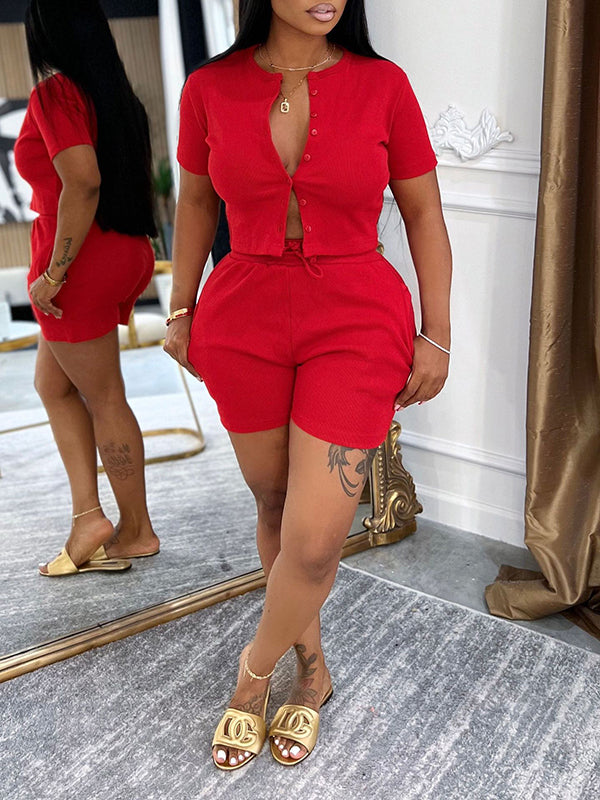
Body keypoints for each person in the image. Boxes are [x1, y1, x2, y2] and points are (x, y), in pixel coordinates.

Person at [165, 0, 451, 770]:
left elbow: (423, 211)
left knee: (318, 539)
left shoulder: (383, 85)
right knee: (274, 505)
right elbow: (197, 200)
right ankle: (312, 671)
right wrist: (182, 307)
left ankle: (251, 678)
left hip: (357, 317)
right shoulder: (208, 88)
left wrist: (437, 332)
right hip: (243, 315)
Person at [14, 0, 160, 576]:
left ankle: (136, 531)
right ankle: (88, 517)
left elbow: (83, 182)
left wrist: (54, 272)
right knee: (52, 384)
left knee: (104, 396)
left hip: (81, 261)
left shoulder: (56, 93)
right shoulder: (114, 95)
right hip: (122, 250)